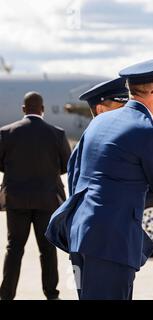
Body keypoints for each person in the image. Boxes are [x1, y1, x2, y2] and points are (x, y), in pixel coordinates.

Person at [45, 57, 153, 300]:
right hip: (111, 242)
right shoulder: (151, 132)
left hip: (81, 233)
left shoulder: (99, 123)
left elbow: (75, 174)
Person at [0, 92, 71, 300]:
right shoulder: (56, 133)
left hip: (16, 199)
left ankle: (6, 295)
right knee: (47, 249)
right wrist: (47, 173)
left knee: (14, 248)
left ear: (23, 109)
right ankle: (51, 294)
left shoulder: (6, 132)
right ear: (43, 109)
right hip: (47, 199)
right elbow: (66, 165)